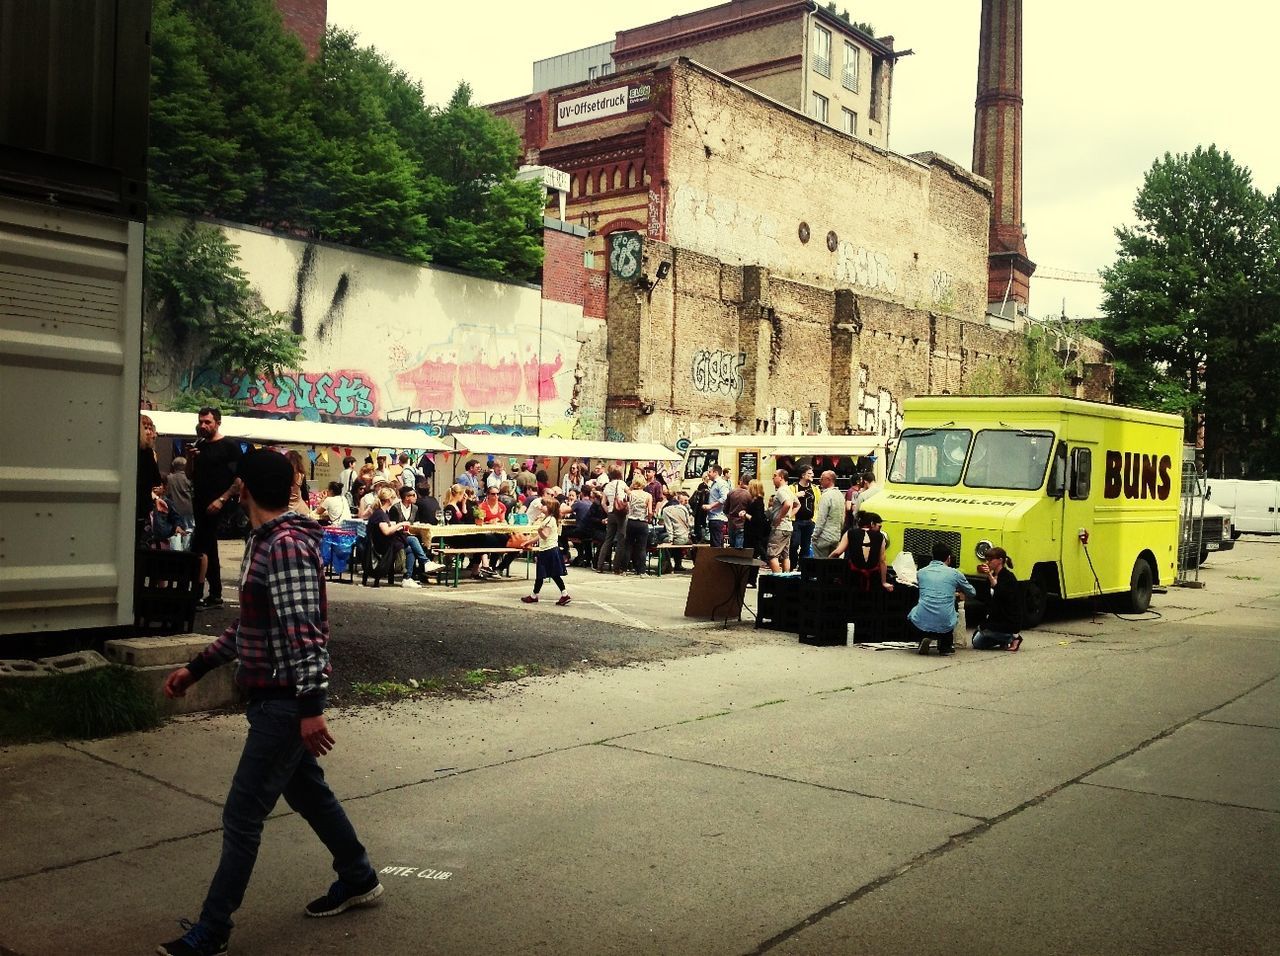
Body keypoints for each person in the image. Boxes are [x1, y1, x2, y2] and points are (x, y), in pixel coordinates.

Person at [158, 449, 381, 956]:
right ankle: (359, 876)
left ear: (244, 489)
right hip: (277, 696)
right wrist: (197, 668)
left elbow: (303, 634)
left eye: (237, 485)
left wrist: (310, 708)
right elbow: (252, 627)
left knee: (241, 815)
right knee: (308, 794)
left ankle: (213, 930)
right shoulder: (267, 543)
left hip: (283, 702)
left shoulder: (281, 546)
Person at [187, 407, 243, 608]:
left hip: (219, 503)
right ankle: (215, 593)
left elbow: (239, 479)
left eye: (207, 422)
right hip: (200, 502)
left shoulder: (229, 446)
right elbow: (189, 475)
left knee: (200, 546)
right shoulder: (199, 445)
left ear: (218, 422)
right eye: (201, 421)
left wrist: (222, 499)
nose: (203, 425)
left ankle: (197, 591)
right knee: (209, 545)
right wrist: (191, 458)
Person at [908, 542, 976, 656]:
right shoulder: (955, 574)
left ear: (932, 556)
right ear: (949, 558)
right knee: (950, 607)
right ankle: (945, 646)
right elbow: (972, 592)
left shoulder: (921, 572)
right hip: (945, 619)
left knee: (919, 607)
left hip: (922, 617)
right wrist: (957, 591)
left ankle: (924, 637)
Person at [971, 547, 1024, 651]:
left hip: (1008, 619)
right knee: (977, 642)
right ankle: (1002, 640)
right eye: (986, 559)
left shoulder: (1008, 577)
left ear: (1000, 560)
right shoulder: (992, 576)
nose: (987, 562)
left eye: (990, 560)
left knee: (984, 632)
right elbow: (986, 597)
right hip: (994, 618)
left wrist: (990, 576)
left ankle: (1014, 637)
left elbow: (1003, 594)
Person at [521, 499, 571, 606]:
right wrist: (529, 541)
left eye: (544, 505)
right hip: (549, 549)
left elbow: (544, 535)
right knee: (551, 575)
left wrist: (539, 530)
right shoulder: (548, 518)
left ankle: (535, 596)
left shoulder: (550, 520)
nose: (541, 506)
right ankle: (563, 594)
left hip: (548, 550)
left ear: (550, 508)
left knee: (544, 574)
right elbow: (541, 537)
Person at [367, 487, 420, 588]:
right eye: (393, 497)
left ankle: (409, 576)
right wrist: (400, 524)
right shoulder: (380, 514)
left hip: (383, 542)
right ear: (389, 499)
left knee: (410, 543)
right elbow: (386, 531)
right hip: (381, 545)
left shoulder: (382, 512)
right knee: (410, 545)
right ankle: (408, 576)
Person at [831, 511, 891, 591]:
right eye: (879, 527)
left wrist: (827, 561)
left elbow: (837, 552)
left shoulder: (850, 533)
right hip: (872, 578)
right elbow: (882, 560)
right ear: (872, 524)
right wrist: (884, 582)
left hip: (852, 577)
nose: (879, 529)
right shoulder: (880, 537)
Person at [390, 486, 438, 579]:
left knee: (412, 548)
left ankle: (408, 577)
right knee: (413, 539)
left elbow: (416, 523)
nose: (415, 497)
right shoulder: (395, 508)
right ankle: (426, 562)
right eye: (413, 495)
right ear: (406, 497)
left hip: (410, 536)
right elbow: (392, 526)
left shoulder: (415, 508)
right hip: (397, 538)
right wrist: (403, 527)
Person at [595, 467, 630, 573]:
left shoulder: (607, 486)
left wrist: (609, 511)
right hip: (621, 514)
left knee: (608, 539)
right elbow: (630, 494)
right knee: (621, 540)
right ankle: (616, 567)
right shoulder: (621, 483)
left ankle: (599, 565)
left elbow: (603, 503)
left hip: (611, 513)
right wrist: (625, 503)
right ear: (619, 475)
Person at [765, 469, 798, 573]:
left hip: (780, 527)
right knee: (785, 555)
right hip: (788, 527)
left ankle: (778, 580)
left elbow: (787, 504)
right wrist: (789, 516)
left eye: (775, 476)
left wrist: (779, 517)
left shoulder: (781, 491)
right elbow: (797, 505)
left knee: (772, 555)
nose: (773, 478)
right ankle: (786, 580)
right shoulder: (789, 490)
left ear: (781, 477)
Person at [137, 415, 163, 541]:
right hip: (140, 505)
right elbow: (155, 480)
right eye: (144, 428)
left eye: (149, 428)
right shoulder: (147, 452)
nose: (148, 431)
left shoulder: (150, 452)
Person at [624, 475, 655, 574]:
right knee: (642, 547)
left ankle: (624, 569)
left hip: (631, 521)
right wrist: (649, 519)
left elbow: (626, 506)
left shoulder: (630, 494)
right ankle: (641, 570)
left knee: (628, 545)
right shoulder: (648, 496)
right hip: (642, 522)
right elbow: (650, 511)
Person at [811, 470, 844, 558]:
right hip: (836, 535)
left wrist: (815, 535)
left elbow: (821, 518)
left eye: (822, 479)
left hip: (824, 536)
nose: (819, 481)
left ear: (828, 480)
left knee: (820, 565)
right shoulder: (840, 495)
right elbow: (843, 517)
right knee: (832, 566)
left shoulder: (826, 495)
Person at [789, 466, 818, 565]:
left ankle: (802, 568)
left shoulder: (815, 489)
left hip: (810, 521)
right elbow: (786, 500)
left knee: (806, 546)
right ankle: (793, 564)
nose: (812, 475)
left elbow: (818, 503)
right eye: (809, 473)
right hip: (796, 521)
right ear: (802, 475)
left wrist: (814, 519)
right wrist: (796, 495)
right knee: (794, 544)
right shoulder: (792, 487)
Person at [743, 479, 769, 587]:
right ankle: (749, 579)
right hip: (753, 533)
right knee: (752, 556)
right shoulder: (758, 501)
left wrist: (745, 515)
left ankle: (751, 580)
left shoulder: (757, 502)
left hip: (754, 534)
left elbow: (756, 519)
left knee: (752, 556)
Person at [660, 489, 694, 572]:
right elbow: (689, 524)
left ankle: (666, 565)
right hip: (686, 538)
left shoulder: (666, 509)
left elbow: (669, 527)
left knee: (661, 540)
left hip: (677, 538)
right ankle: (678, 564)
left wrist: (670, 539)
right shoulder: (684, 508)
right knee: (676, 542)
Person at [703, 465, 731, 546]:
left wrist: (711, 506)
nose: (708, 474)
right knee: (715, 543)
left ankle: (716, 558)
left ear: (715, 472)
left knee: (716, 544)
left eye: (710, 472)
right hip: (713, 517)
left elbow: (725, 498)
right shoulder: (714, 484)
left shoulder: (721, 483)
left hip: (717, 517)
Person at [726, 476, 752, 549]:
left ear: (741, 482)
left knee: (732, 547)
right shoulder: (749, 495)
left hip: (731, 524)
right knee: (739, 550)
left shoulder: (731, 493)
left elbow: (725, 509)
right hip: (743, 524)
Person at [286, 450, 312, 517]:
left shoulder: (282, 474)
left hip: (284, 509)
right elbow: (304, 493)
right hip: (300, 509)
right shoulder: (301, 475)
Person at [689, 471, 711, 543]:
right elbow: (702, 499)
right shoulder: (703, 486)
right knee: (701, 523)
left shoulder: (707, 486)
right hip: (701, 509)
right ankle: (701, 537)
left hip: (701, 509)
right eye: (707, 476)